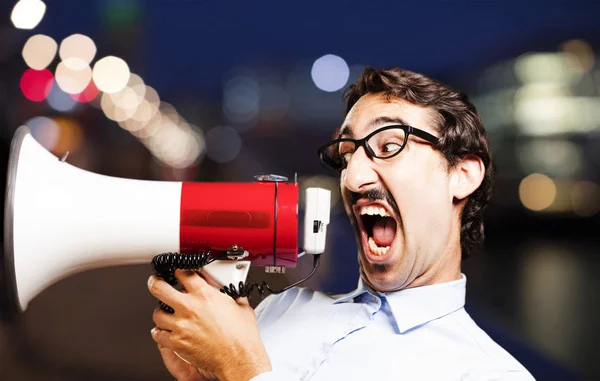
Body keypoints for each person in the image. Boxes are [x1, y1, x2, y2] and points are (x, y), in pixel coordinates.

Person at [147, 66, 535, 381]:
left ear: (462, 174)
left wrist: (242, 369)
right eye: (347, 155)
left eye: (388, 146)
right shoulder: (281, 307)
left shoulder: (487, 372)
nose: (351, 179)